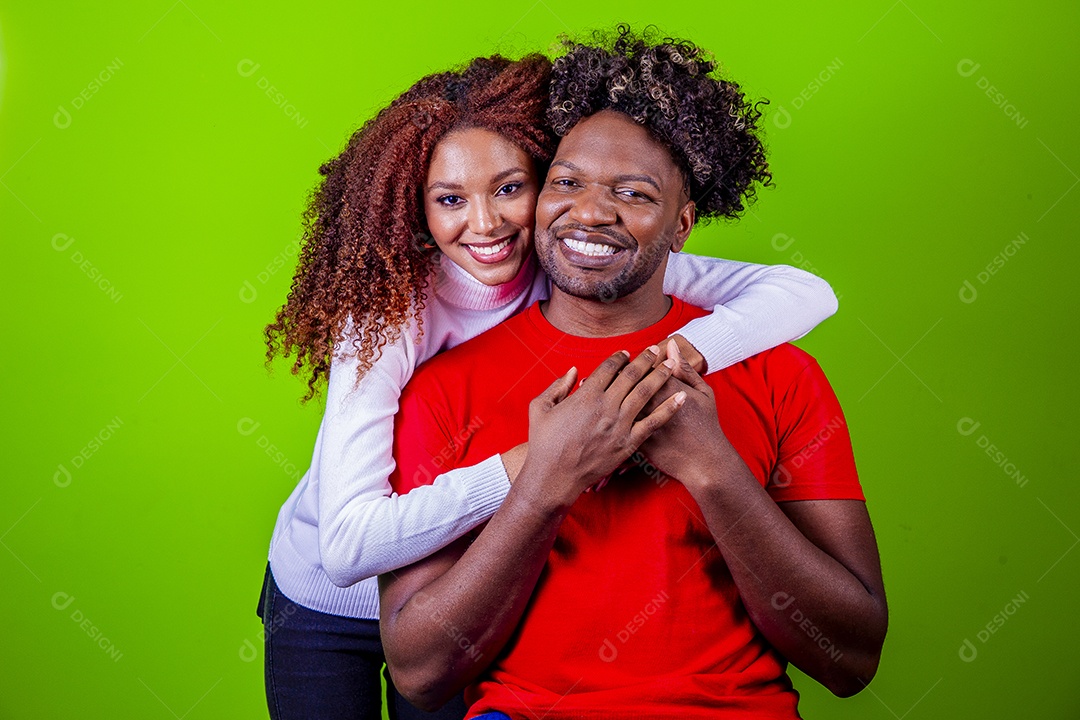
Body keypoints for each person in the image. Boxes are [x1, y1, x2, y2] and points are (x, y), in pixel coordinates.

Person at [258, 50, 841, 720]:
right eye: (450, 200)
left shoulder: (572, 258)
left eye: (509, 189)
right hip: (330, 603)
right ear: (412, 208)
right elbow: (349, 548)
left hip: (454, 591)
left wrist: (659, 368)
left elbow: (804, 293)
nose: (486, 225)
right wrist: (543, 459)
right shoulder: (386, 315)